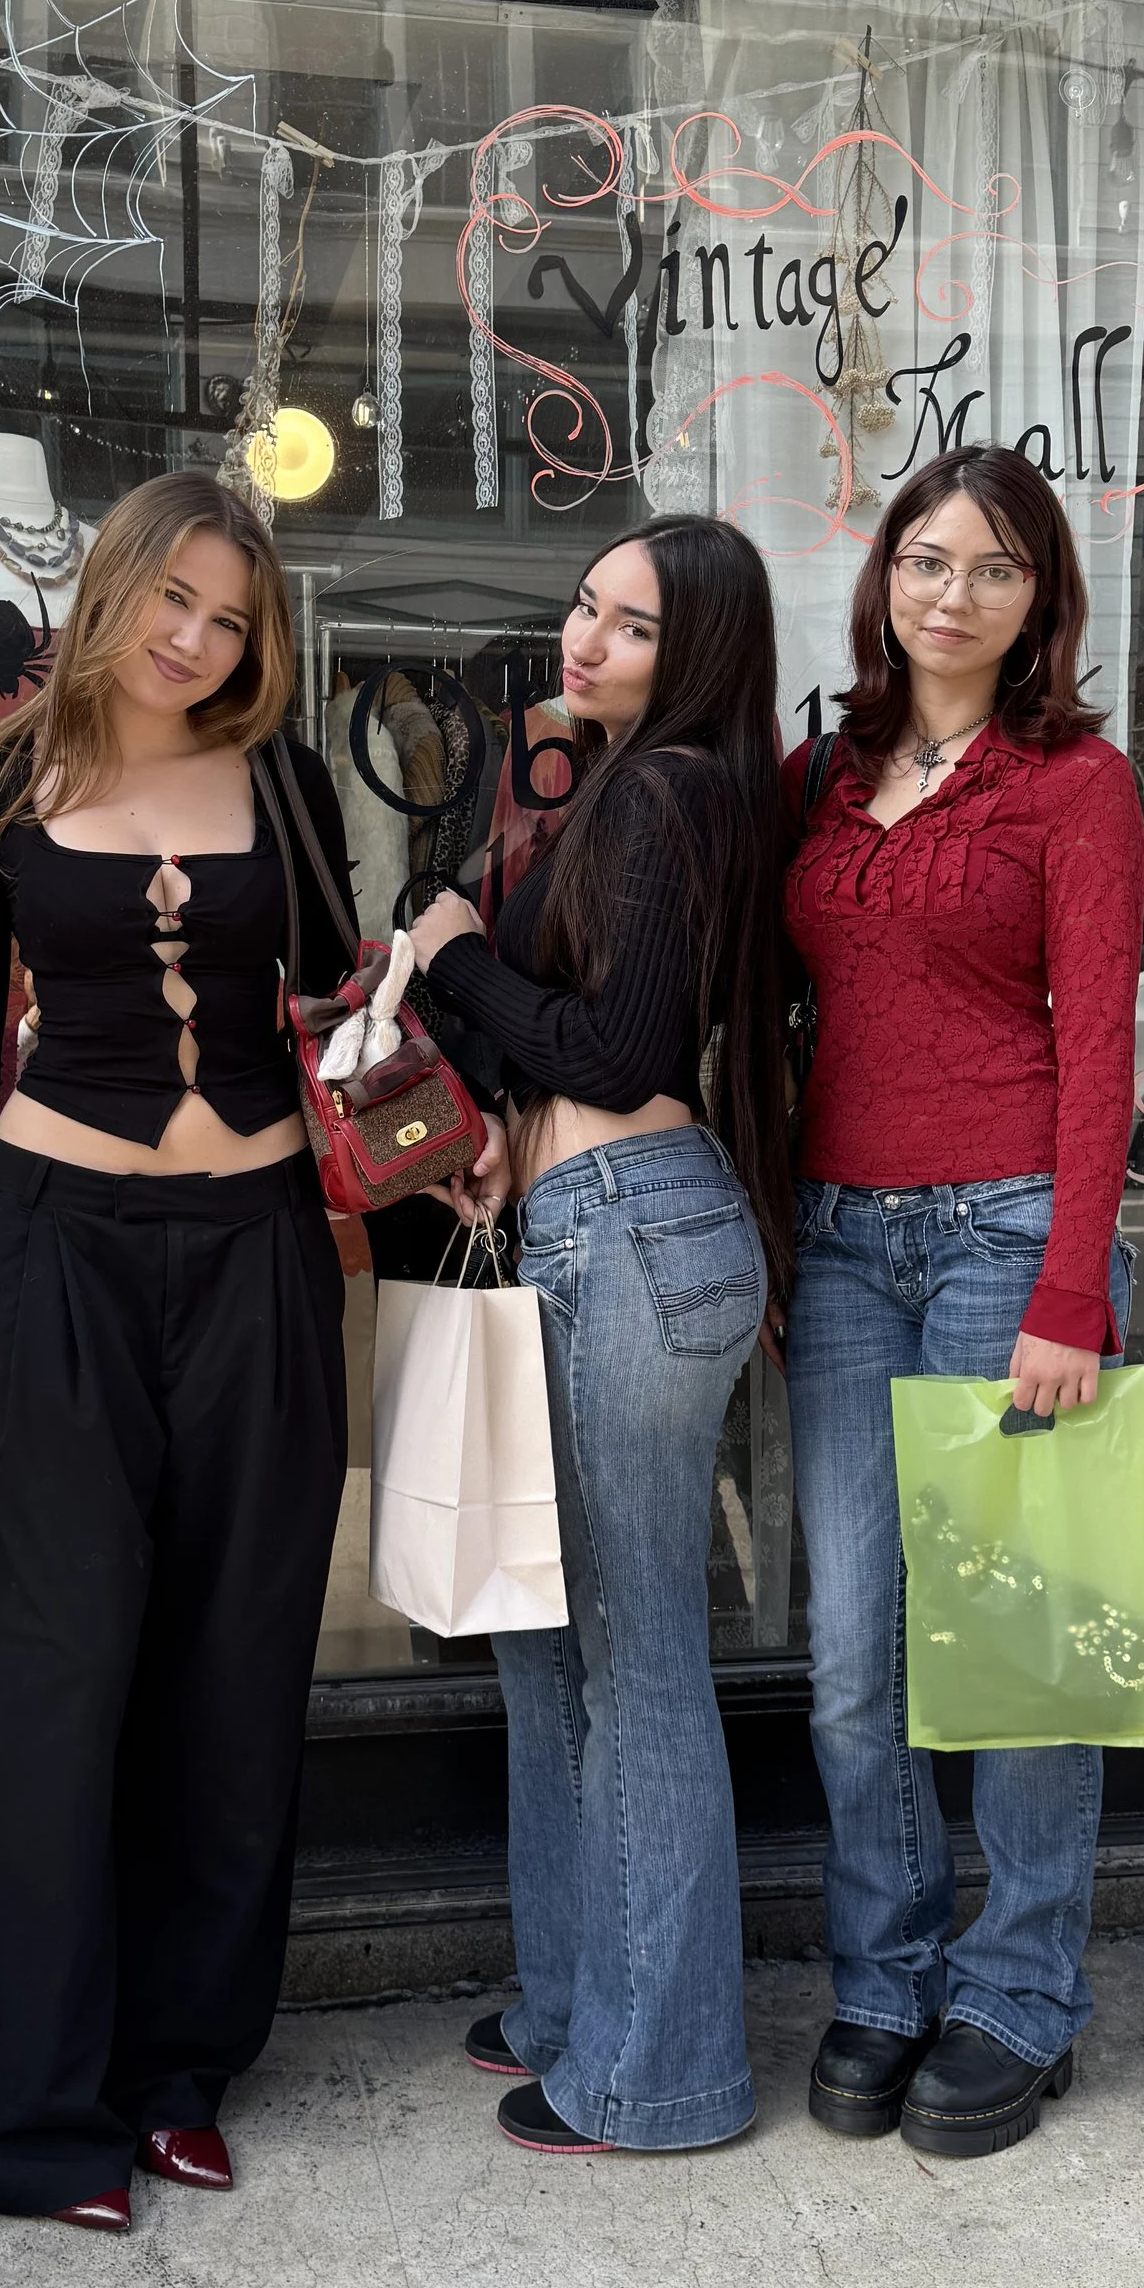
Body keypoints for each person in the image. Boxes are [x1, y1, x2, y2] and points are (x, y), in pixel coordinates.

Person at [0, 472, 359, 2233]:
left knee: (238, 1671)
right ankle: (21, 2113)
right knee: (59, 1673)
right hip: (58, 1260)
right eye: (171, 597)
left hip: (255, 1258)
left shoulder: (290, 785)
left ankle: (180, 2069)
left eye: (230, 616)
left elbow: (341, 993)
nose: (194, 638)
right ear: (110, 587)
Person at [411, 516, 793, 2157]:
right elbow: (588, 1047)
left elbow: (625, 1048)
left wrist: (454, 959)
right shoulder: (663, 789)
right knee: (550, 1653)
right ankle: (578, 2005)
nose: (585, 642)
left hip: (632, 1241)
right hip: (613, 1226)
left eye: (629, 628)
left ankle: (663, 2074)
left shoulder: (671, 787)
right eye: (584, 607)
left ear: (691, 652)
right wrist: (506, 1103)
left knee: (630, 1668)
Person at [783, 446, 1144, 2160]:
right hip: (843, 1248)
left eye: (994, 569)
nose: (954, 593)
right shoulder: (823, 776)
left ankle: (1019, 1992)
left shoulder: (1077, 786)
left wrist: (1075, 1287)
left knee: (1016, 1655)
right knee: (856, 1657)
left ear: (1039, 599)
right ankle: (888, 1973)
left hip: (1009, 1238)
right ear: (884, 581)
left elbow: (1098, 1047)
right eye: (928, 560)